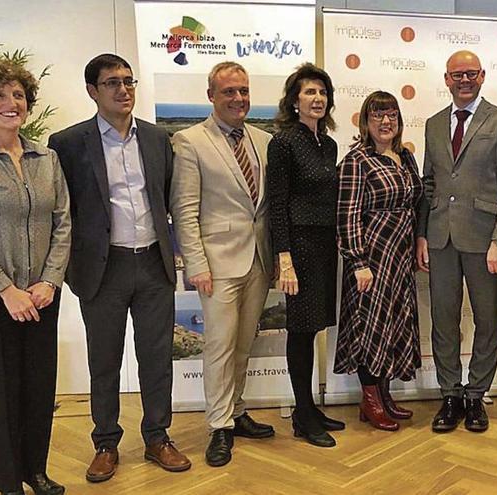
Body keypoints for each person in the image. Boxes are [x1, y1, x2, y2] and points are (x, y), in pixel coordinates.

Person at [48, 53, 191, 483]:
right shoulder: (68, 143)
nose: (123, 89)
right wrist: (71, 270)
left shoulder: (155, 138)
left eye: (128, 81)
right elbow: (61, 212)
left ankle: (157, 437)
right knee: (104, 361)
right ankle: (106, 443)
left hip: (152, 264)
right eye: (112, 83)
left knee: (156, 359)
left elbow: (169, 199)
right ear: (93, 91)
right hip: (102, 270)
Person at [171, 61, 275, 467]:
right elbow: (185, 208)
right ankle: (218, 425)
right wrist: (195, 263)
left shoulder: (263, 141)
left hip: (258, 260)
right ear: (211, 95)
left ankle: (236, 409)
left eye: (244, 91)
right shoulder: (189, 140)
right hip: (215, 265)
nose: (238, 99)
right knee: (219, 346)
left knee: (244, 345)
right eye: (229, 92)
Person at [415, 50, 497, 433]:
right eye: (457, 74)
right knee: (443, 321)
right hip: (441, 238)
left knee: (486, 320)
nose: (464, 80)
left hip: (485, 240)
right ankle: (450, 395)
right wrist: (422, 234)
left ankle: (476, 396)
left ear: (482, 76)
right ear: (446, 79)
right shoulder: (432, 124)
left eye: (471, 73)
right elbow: (429, 184)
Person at [0, 58, 70, 495]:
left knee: (39, 388)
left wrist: (49, 282)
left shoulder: (45, 158)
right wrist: (5, 289)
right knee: (1, 393)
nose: (10, 103)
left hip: (41, 296)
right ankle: (8, 483)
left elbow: (64, 222)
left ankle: (36, 471)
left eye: (18, 95)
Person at [335, 91, 424, 432]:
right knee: (369, 328)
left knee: (392, 327)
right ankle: (371, 400)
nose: (386, 122)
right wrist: (358, 262)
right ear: (365, 122)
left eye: (391, 116)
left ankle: (383, 396)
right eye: (378, 116)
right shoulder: (357, 161)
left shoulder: (405, 157)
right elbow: (346, 216)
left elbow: (416, 204)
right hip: (371, 260)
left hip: (400, 259)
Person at [267, 63, 343, 447]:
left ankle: (310, 409)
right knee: (299, 331)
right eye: (309, 92)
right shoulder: (283, 142)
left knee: (314, 328)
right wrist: (285, 259)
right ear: (294, 101)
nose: (317, 99)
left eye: (322, 93)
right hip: (297, 248)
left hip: (325, 246)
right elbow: (277, 205)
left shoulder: (327, 144)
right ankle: (301, 413)